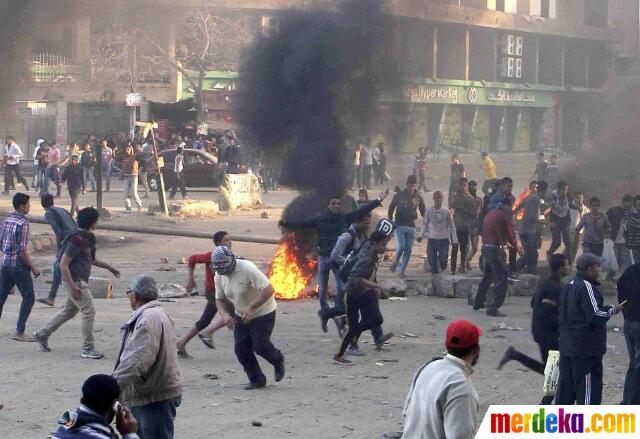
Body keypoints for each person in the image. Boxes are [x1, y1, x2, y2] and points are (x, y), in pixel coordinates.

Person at [279, 190, 388, 311]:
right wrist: (286, 223)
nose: (336, 205)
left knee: (342, 286)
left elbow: (360, 211)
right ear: (328, 205)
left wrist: (378, 201)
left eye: (338, 204)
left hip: (337, 258)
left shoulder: (344, 218)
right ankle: (324, 309)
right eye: (333, 203)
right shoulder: (320, 219)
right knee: (322, 287)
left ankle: (340, 307)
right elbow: (303, 223)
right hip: (323, 257)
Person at [34, 207, 120, 359]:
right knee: (89, 310)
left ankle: (42, 334)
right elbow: (63, 264)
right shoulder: (77, 239)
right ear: (93, 223)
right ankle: (88, 348)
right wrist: (73, 286)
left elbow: (91, 260)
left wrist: (110, 268)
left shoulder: (87, 238)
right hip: (75, 281)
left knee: (69, 311)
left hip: (77, 281)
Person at [113, 275, 182, 439]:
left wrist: (112, 387)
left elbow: (136, 360)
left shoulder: (147, 318)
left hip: (153, 395)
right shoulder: (157, 313)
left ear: (135, 295)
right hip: (157, 391)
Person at [498, 254, 569, 404]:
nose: (569, 268)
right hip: (547, 334)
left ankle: (515, 355)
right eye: (567, 265)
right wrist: (563, 321)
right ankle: (545, 404)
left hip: (541, 332)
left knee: (553, 371)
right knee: (555, 373)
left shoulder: (548, 283)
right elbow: (545, 313)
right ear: (560, 268)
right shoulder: (554, 288)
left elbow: (533, 302)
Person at [213, 246, 286, 390]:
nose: (223, 273)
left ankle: (277, 360)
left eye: (225, 269)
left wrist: (252, 308)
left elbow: (268, 289)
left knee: (260, 346)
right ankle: (256, 379)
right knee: (241, 349)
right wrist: (225, 315)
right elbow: (219, 299)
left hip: (263, 312)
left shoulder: (247, 268)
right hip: (241, 314)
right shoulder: (219, 275)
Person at [555, 253, 623, 405]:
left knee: (566, 391)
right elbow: (595, 314)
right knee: (587, 393)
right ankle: (585, 426)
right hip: (585, 350)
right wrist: (613, 309)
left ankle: (562, 425)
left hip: (568, 347)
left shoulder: (569, 285)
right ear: (589, 268)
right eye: (598, 266)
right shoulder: (586, 286)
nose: (600, 269)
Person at [401, 320, 482, 439]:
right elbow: (460, 435)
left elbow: (406, 412)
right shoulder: (460, 385)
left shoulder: (427, 367)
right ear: (475, 351)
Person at [333, 231, 394, 364]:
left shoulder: (373, 255)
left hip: (363, 293)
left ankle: (349, 328)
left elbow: (369, 276)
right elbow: (356, 279)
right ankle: (339, 355)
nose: (385, 248)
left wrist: (375, 288)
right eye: (383, 244)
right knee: (355, 325)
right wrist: (378, 286)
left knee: (376, 319)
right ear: (374, 244)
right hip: (352, 294)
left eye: (386, 244)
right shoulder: (366, 259)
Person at [176, 231, 232, 358]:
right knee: (234, 314)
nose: (230, 242)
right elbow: (192, 259)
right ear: (218, 243)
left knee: (205, 320)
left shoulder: (230, 257)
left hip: (221, 293)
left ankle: (181, 343)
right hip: (213, 292)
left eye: (230, 240)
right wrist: (190, 279)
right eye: (226, 240)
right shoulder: (211, 256)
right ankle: (208, 333)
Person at [321, 212, 372, 341]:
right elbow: (335, 255)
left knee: (349, 304)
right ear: (358, 222)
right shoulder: (347, 236)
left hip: (352, 273)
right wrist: (348, 263)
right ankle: (348, 337)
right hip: (343, 272)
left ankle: (333, 318)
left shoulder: (361, 235)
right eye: (366, 223)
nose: (368, 226)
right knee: (348, 302)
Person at [0, 193, 40, 341]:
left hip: (5, 263)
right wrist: (33, 267)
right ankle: (20, 331)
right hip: (18, 265)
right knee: (29, 297)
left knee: (1, 296)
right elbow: (22, 250)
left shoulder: (6, 220)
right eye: (28, 204)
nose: (30, 206)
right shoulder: (23, 222)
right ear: (22, 206)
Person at [473, 199, 522, 317]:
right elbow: (510, 233)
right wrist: (517, 247)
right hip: (495, 249)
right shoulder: (505, 215)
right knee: (502, 277)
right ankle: (494, 307)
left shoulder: (491, 213)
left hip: (486, 247)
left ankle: (478, 302)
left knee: (487, 276)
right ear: (509, 205)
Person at [51, 374, 139, 439]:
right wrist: (129, 434)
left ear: (82, 400)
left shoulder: (66, 425)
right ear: (114, 405)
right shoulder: (100, 436)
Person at [37, 194, 77, 306]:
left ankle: (53, 297)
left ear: (42, 203)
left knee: (59, 266)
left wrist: (59, 248)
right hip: (76, 238)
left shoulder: (49, 213)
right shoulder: (62, 209)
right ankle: (55, 296)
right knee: (62, 268)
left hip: (68, 241)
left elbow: (58, 232)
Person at [388, 175, 425, 278]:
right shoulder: (399, 195)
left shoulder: (418, 197)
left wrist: (426, 225)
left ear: (415, 186)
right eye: (410, 186)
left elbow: (423, 212)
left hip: (411, 226)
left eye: (413, 186)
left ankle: (402, 272)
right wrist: (390, 220)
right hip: (399, 225)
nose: (411, 188)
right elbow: (391, 208)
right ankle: (394, 263)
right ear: (407, 185)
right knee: (401, 247)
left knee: (408, 249)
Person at [617, 264, 640, 404]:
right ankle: (632, 403)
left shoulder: (631, 270)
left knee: (634, 365)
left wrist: (626, 311)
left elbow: (621, 290)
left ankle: (627, 401)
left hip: (629, 322)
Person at [420, 191, 457, 275]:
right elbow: (424, 224)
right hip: (432, 240)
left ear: (443, 199)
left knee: (443, 261)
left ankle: (440, 266)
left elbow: (452, 226)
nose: (438, 199)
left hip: (443, 240)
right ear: (433, 199)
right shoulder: (429, 211)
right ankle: (435, 281)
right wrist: (420, 235)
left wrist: (454, 239)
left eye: (440, 198)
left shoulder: (446, 211)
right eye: (437, 197)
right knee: (432, 263)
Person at [514, 181, 542, 274]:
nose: (535, 189)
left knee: (531, 253)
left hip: (526, 229)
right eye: (533, 187)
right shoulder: (534, 199)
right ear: (530, 188)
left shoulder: (530, 198)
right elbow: (532, 216)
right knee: (532, 254)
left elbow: (519, 207)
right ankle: (515, 268)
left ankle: (530, 271)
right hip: (528, 231)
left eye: (536, 187)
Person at [450, 178, 476, 275]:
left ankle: (462, 266)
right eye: (461, 185)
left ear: (467, 186)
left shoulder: (470, 199)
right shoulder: (456, 197)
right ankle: (453, 268)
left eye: (464, 185)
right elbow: (451, 208)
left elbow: (473, 214)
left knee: (464, 248)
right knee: (455, 247)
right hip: (456, 226)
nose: (462, 187)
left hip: (465, 226)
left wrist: (463, 209)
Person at [607, 195, 636, 279]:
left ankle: (619, 276)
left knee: (624, 260)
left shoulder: (633, 213)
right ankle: (612, 275)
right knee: (614, 259)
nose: (627, 208)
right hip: (614, 239)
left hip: (626, 241)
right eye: (625, 206)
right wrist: (607, 231)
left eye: (629, 206)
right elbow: (605, 220)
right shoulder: (613, 211)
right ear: (622, 203)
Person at [547, 181, 574, 260]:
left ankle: (568, 262)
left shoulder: (568, 196)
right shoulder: (552, 196)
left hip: (565, 220)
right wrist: (548, 222)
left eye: (566, 190)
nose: (564, 192)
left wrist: (577, 207)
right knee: (557, 242)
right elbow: (546, 209)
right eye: (563, 190)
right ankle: (549, 253)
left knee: (568, 242)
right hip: (554, 220)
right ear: (558, 189)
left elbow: (569, 205)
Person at [121, 145, 143, 213]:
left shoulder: (135, 156)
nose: (126, 150)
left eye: (128, 149)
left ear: (131, 150)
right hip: (126, 177)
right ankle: (128, 209)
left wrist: (139, 149)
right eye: (126, 149)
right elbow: (115, 156)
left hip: (133, 177)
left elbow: (142, 158)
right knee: (125, 194)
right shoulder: (124, 158)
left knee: (134, 194)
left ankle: (139, 205)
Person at [466, 180, 482, 269]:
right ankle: (465, 262)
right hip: (467, 224)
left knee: (475, 247)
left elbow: (481, 212)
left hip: (475, 224)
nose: (473, 188)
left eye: (474, 186)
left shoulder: (479, 200)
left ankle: (466, 261)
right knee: (468, 246)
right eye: (471, 186)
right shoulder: (466, 199)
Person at [570, 192, 590, 262]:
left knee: (575, 248)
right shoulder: (570, 206)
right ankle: (567, 260)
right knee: (569, 247)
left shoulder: (585, 209)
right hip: (569, 230)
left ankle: (571, 263)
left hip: (578, 232)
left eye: (581, 198)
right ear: (574, 198)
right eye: (577, 198)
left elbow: (589, 217)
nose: (579, 199)